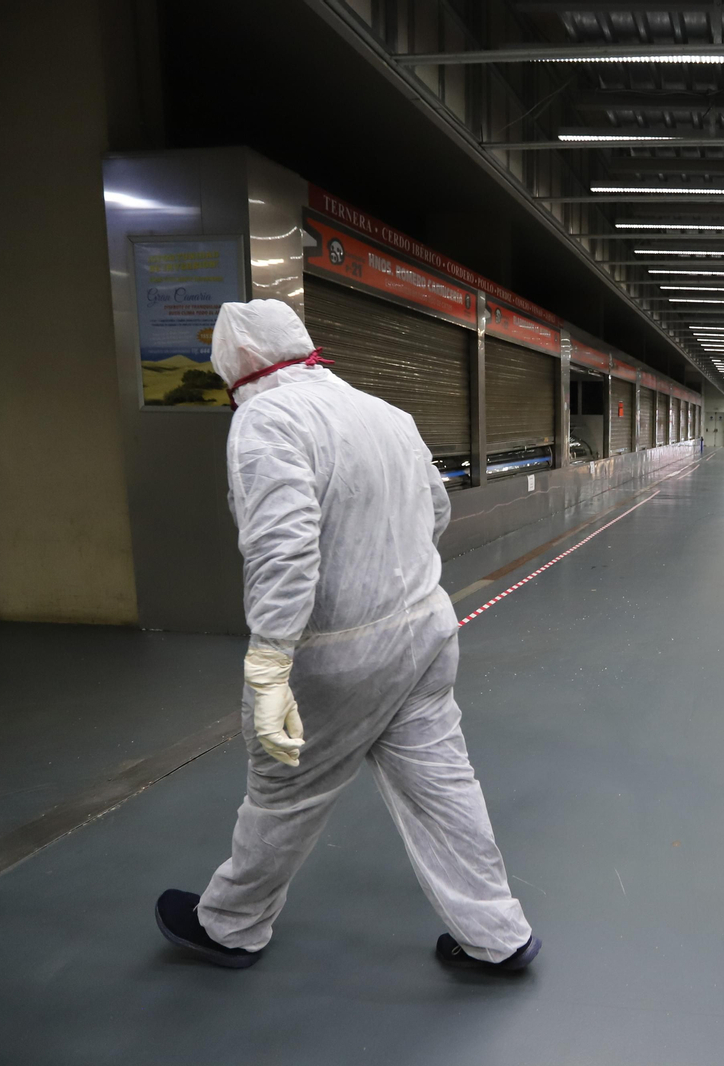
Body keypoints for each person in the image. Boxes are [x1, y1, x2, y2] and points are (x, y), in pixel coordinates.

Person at [154, 299, 538, 972]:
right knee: (442, 785)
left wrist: (271, 669)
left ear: (233, 367)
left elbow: (284, 555)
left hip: (338, 656)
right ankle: (497, 936)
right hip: (425, 631)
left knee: (284, 794)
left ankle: (230, 924)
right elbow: (436, 508)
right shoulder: (386, 412)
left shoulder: (266, 420)